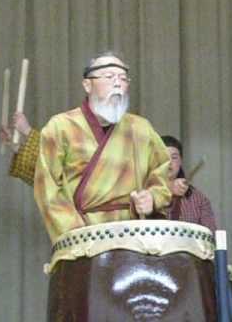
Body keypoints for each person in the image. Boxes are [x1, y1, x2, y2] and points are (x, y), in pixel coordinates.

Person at [32, 52, 172, 242]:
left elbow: (162, 171)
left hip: (133, 237)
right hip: (81, 236)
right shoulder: (60, 127)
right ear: (87, 85)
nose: (117, 83)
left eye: (123, 79)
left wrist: (152, 198)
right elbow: (47, 189)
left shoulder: (141, 128)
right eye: (109, 77)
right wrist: (76, 234)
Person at [161, 135, 217, 232]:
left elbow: (211, 237)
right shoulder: (141, 190)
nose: (169, 162)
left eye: (174, 157)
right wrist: (168, 189)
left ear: (181, 161)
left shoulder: (198, 199)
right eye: (163, 156)